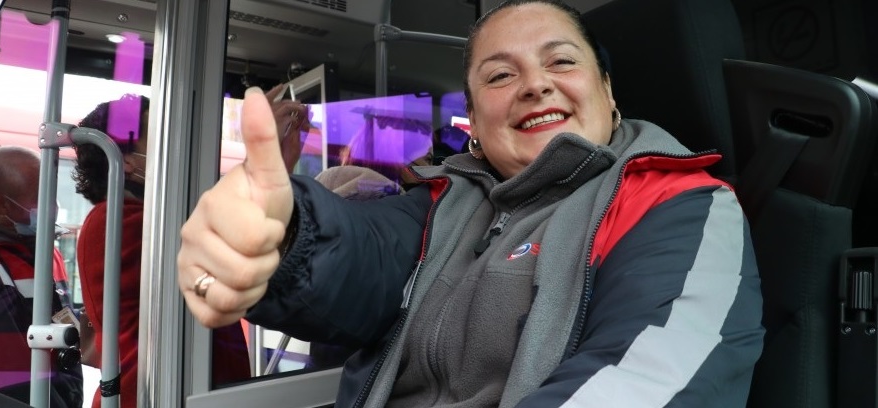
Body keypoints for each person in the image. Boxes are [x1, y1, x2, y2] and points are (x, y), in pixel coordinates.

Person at [177, 0, 765, 407]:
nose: (535, 84)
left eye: (561, 60)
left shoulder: (681, 205)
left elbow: (646, 383)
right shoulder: (440, 204)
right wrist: (281, 238)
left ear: (608, 91)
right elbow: (361, 252)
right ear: (475, 122)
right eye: (500, 75)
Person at [71, 94, 253, 407]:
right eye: (159, 135)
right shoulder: (117, 220)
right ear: (126, 161)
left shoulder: (150, 219)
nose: (176, 145)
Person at [0, 144, 84, 408]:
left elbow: (64, 318)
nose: (53, 206)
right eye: (40, 197)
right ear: (1, 204)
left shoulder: (47, 251)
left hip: (59, 394)